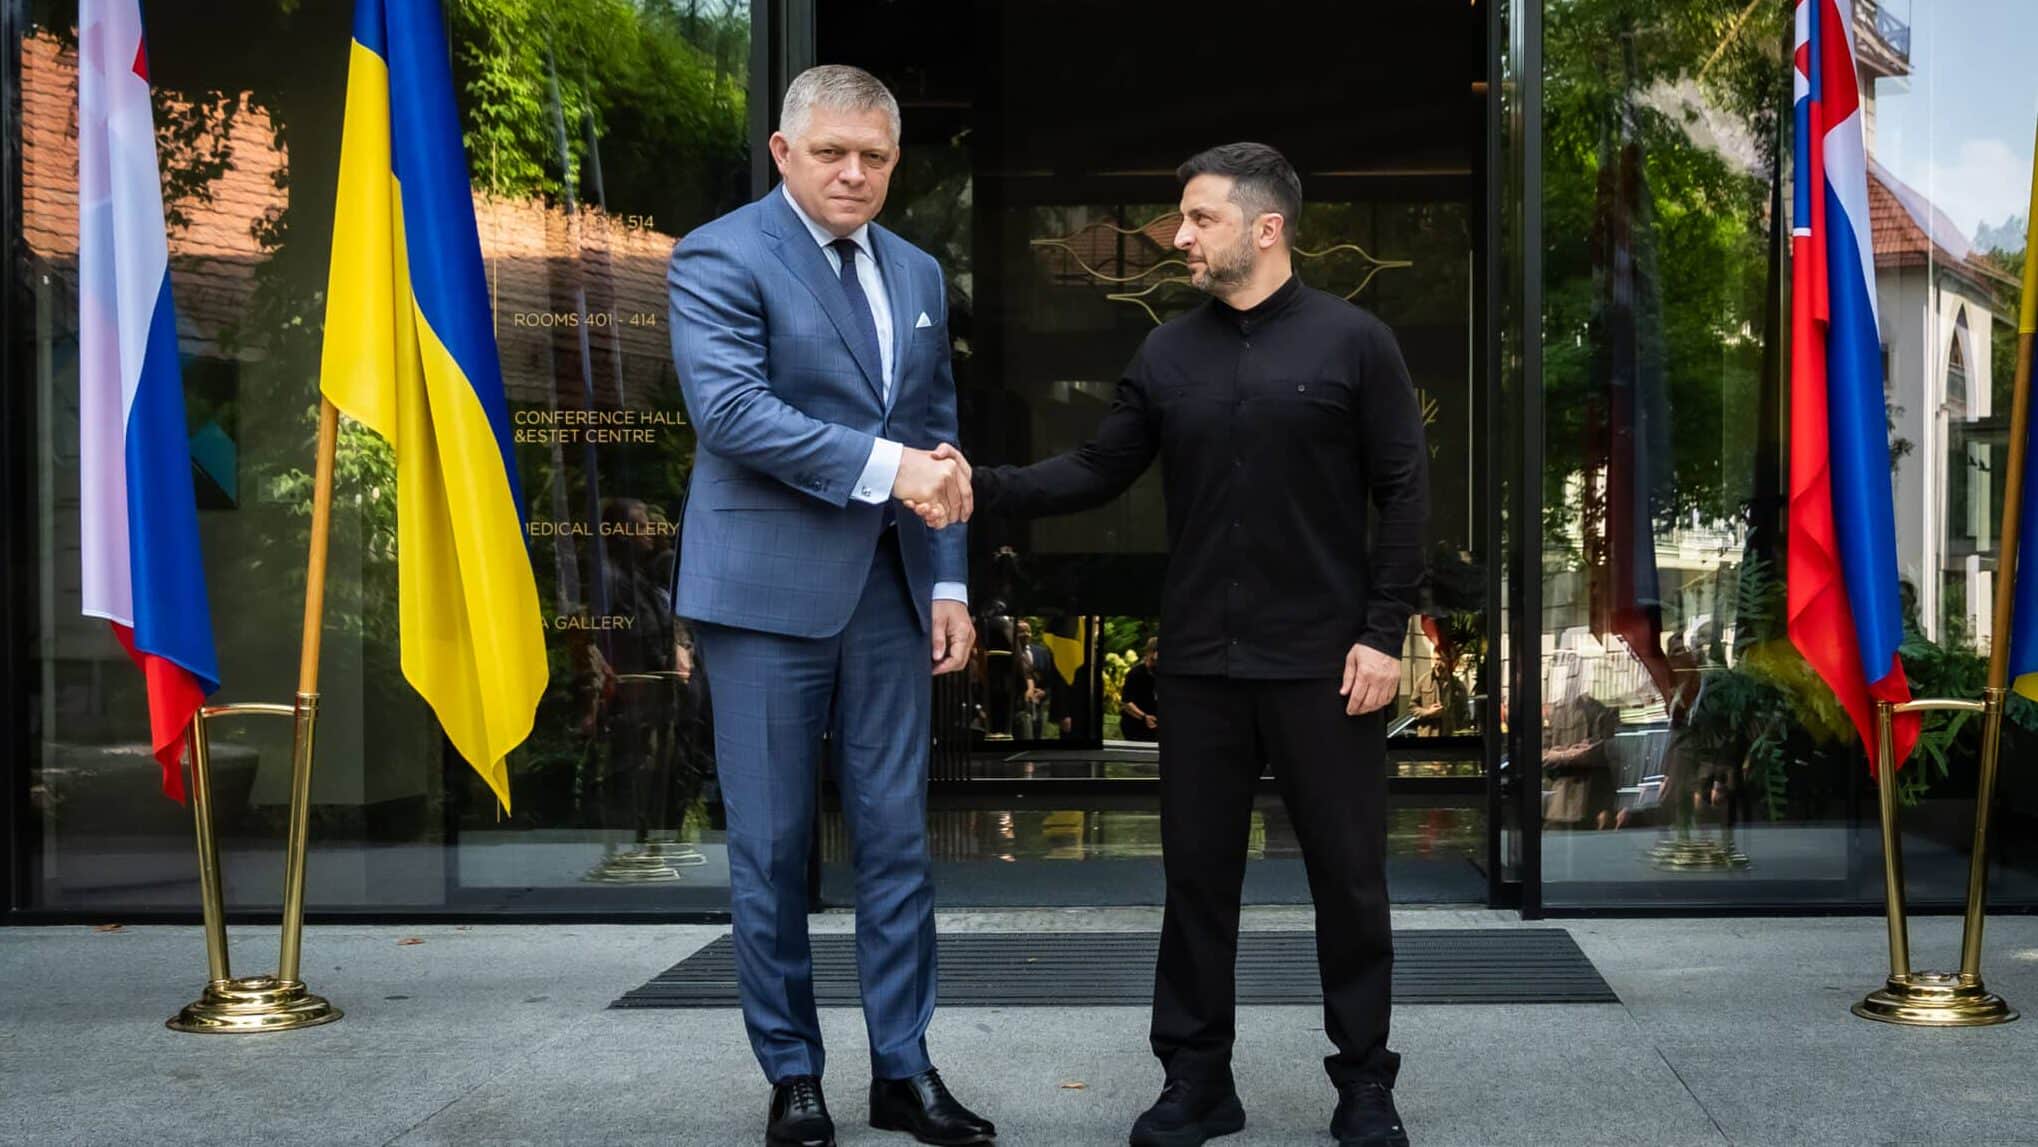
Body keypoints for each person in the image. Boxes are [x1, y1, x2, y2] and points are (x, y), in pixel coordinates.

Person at [939, 142, 1427, 1147]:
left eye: (1201, 218)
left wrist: (1383, 634)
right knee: (1198, 881)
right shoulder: (1166, 354)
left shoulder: (1356, 342)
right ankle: (1198, 1081)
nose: (1180, 237)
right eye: (1182, 218)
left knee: (1348, 881)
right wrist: (977, 485)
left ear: (1266, 227)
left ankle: (1364, 1083)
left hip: (1326, 664)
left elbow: (1405, 493)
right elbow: (1096, 468)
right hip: (1200, 664)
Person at [667, 64, 995, 1147]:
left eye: (875, 157)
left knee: (898, 841)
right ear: (783, 152)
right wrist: (892, 469)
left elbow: (938, 434)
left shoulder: (916, 268)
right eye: (832, 153)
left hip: (890, 596)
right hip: (762, 596)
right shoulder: (720, 254)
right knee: (770, 848)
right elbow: (732, 413)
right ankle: (792, 1073)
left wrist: (946, 579)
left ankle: (905, 1069)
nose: (854, 173)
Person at [1120, 637, 1161, 742]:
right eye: (1153, 660)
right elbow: (1126, 703)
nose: (1156, 663)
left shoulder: (1161, 673)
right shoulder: (1135, 673)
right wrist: (1144, 717)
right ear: (1149, 653)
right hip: (1135, 726)